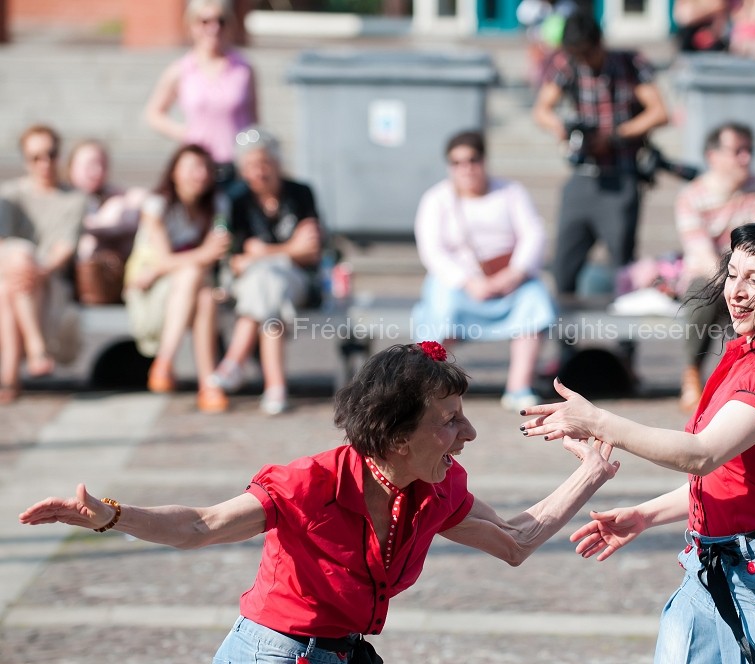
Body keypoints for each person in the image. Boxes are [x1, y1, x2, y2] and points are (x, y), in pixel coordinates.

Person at [20, 341, 619, 664]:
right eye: (450, 420)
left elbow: (515, 541)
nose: (470, 434)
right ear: (397, 436)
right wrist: (113, 515)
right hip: (272, 655)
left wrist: (591, 471)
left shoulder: (434, 488)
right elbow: (203, 525)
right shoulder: (310, 483)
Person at [520, 218, 755, 663]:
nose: (736, 292)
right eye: (732, 274)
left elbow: (701, 455)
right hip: (708, 566)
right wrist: (644, 515)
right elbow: (725, 478)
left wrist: (597, 421)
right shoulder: (747, 353)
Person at [412, 130, 556, 411]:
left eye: (472, 160)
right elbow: (432, 250)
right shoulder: (436, 199)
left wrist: (514, 274)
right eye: (457, 162)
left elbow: (533, 234)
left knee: (535, 302)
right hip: (457, 282)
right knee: (442, 310)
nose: (466, 168)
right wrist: (467, 282)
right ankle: (430, 386)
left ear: (484, 160)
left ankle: (519, 386)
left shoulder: (511, 192)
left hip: (510, 280)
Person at [532, 10, 670, 299]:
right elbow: (542, 110)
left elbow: (659, 112)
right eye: (576, 55)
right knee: (563, 267)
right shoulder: (568, 64)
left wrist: (616, 136)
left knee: (622, 269)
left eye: (587, 54)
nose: (583, 61)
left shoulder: (630, 63)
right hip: (583, 177)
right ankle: (566, 328)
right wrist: (561, 128)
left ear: (599, 43)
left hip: (621, 175)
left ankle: (622, 327)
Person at [207, 127, 322, 416]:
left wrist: (262, 253)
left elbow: (311, 251)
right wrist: (290, 249)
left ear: (277, 163)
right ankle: (275, 387)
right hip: (253, 284)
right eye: (251, 165)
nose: (259, 172)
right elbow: (234, 260)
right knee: (267, 288)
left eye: (265, 163)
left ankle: (234, 364)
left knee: (267, 281)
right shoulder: (236, 200)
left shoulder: (300, 193)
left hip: (294, 279)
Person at [674, 122, 755, 411]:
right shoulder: (691, 196)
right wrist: (734, 280)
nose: (747, 158)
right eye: (738, 151)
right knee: (703, 292)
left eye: (749, 150)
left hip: (749, 274)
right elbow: (702, 255)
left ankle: (754, 372)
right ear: (713, 156)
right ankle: (691, 372)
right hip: (709, 276)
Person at [123, 144, 231, 413]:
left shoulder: (218, 205)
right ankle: (196, 377)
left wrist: (203, 260)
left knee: (205, 296)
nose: (200, 174)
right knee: (193, 275)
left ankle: (180, 372)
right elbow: (163, 260)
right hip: (151, 290)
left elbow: (217, 256)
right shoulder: (157, 205)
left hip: (191, 288)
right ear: (174, 172)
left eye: (205, 168)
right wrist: (203, 254)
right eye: (192, 167)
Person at [0, 124, 86, 404]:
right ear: (25, 160)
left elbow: (65, 247)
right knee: (18, 258)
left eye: (51, 154)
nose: (45, 163)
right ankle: (35, 347)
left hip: (50, 282)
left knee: (8, 287)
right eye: (36, 157)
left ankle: (9, 379)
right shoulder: (10, 195)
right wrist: (27, 267)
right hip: (15, 273)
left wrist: (39, 270)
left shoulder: (74, 198)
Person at [144, 0, 257, 188]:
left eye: (220, 21)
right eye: (205, 21)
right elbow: (154, 113)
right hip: (199, 165)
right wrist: (185, 132)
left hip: (235, 163)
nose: (214, 28)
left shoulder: (243, 68)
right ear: (191, 25)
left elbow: (254, 119)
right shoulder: (182, 70)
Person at [67, 140, 146, 305]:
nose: (97, 171)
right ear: (71, 167)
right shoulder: (63, 197)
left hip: (108, 270)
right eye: (90, 164)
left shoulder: (116, 197)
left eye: (102, 164)